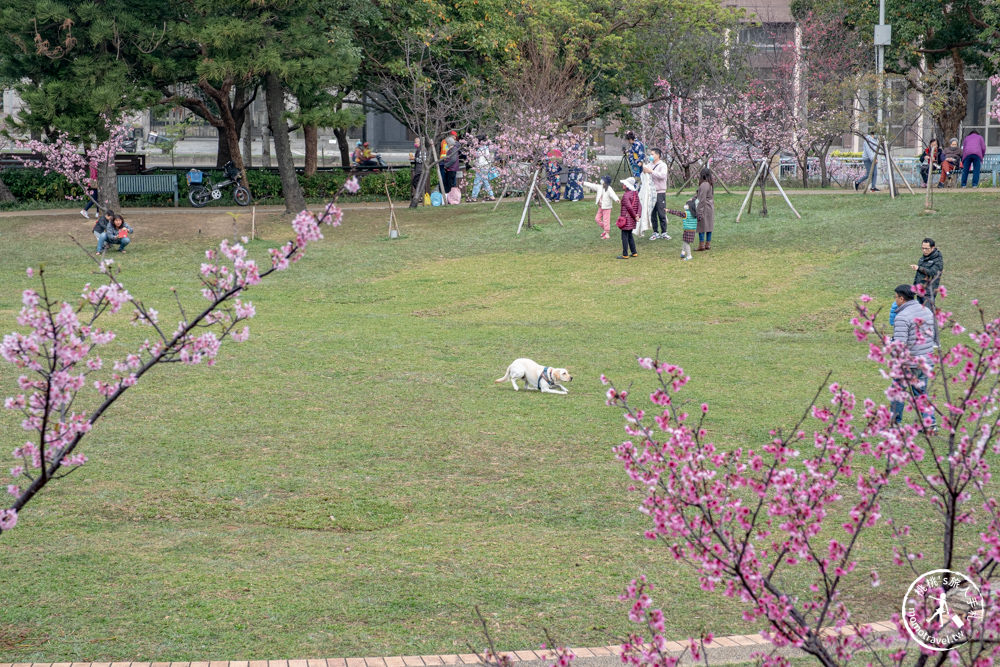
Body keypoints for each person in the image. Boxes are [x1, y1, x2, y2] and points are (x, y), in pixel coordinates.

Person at [889, 284, 936, 432]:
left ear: (902, 298)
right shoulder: (926, 310)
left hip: (909, 362)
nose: (895, 300)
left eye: (896, 297)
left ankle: (895, 424)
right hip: (926, 361)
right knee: (921, 394)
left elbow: (900, 345)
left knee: (898, 392)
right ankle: (930, 425)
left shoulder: (902, 317)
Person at [642, 148, 670, 240]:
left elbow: (662, 176)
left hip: (660, 192)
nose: (651, 156)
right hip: (651, 192)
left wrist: (651, 171)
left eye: (653, 154)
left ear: (658, 155)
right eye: (650, 154)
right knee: (653, 213)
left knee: (661, 212)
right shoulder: (649, 165)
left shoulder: (662, 165)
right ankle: (655, 232)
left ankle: (664, 232)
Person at [583, 175, 619, 240]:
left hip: (607, 207)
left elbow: (613, 195)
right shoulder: (599, 187)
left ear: (606, 182)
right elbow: (592, 185)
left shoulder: (609, 189)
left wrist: (616, 199)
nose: (601, 180)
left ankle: (607, 234)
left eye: (603, 180)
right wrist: (583, 183)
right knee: (597, 219)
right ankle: (605, 230)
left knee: (606, 220)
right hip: (601, 207)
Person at [616, 177, 640, 259]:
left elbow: (629, 208)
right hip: (632, 219)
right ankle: (634, 252)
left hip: (626, 219)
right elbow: (640, 205)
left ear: (627, 186)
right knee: (630, 235)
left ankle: (625, 254)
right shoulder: (635, 193)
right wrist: (637, 216)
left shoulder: (626, 195)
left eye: (624, 184)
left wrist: (634, 216)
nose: (623, 185)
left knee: (624, 236)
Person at [469, 136, 496, 203]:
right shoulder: (486, 148)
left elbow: (478, 158)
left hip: (481, 167)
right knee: (485, 181)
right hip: (486, 166)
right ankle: (491, 195)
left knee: (477, 181)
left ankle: (474, 197)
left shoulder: (480, 149)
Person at [695, 166, 715, 251]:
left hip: (705, 208)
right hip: (710, 207)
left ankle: (701, 245)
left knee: (701, 226)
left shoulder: (703, 184)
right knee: (709, 226)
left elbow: (702, 199)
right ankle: (708, 244)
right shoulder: (710, 184)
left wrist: (699, 211)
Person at [636, 155, 654, 238]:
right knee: (642, 209)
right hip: (644, 192)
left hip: (648, 192)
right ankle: (641, 228)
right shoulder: (644, 170)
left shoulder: (649, 168)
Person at [545, 136, 563, 201]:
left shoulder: (557, 149)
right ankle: (549, 196)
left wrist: (556, 158)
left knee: (556, 181)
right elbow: (545, 158)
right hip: (550, 167)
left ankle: (556, 196)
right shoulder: (547, 149)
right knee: (550, 182)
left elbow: (561, 159)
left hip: (555, 167)